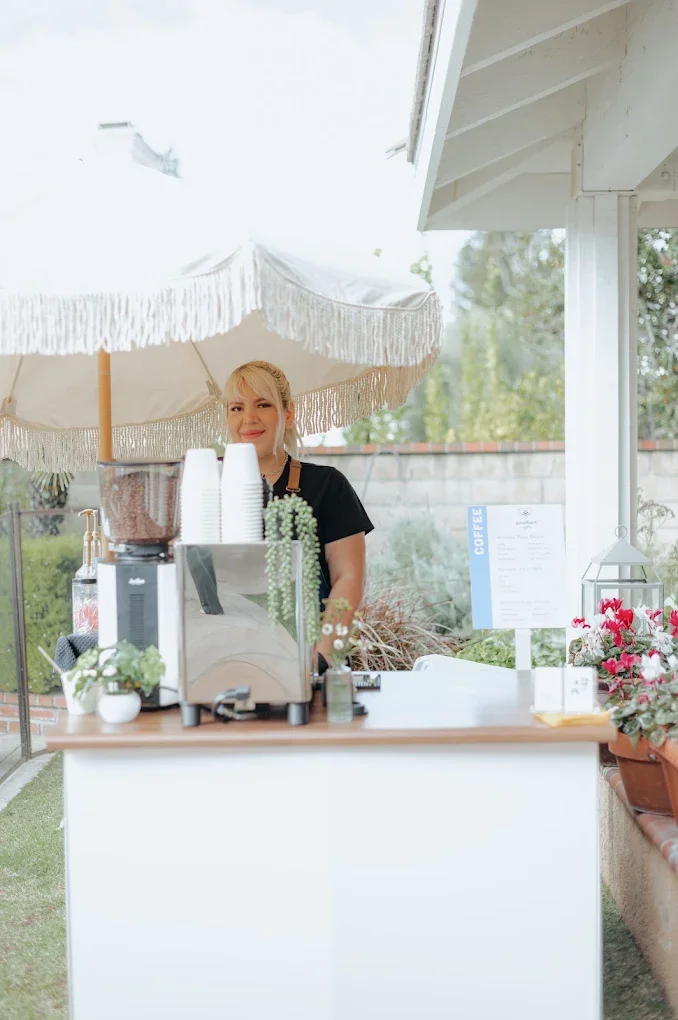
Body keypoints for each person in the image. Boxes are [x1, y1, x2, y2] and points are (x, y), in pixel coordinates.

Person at [225, 360, 373, 672]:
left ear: (287, 414)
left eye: (263, 405)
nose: (248, 418)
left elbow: (349, 578)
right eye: (236, 408)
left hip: (307, 666)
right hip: (227, 661)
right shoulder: (210, 491)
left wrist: (321, 658)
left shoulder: (328, 486)